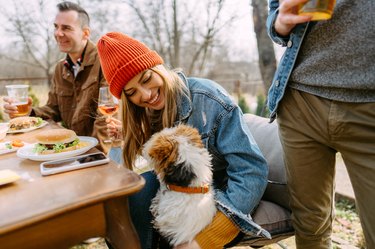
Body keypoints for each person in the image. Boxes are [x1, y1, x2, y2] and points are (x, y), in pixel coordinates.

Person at [96, 32, 270, 249]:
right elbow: (141, 169)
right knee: (128, 199)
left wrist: (206, 238)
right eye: (132, 92)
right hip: (176, 196)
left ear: (158, 67)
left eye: (147, 79)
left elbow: (251, 171)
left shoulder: (210, 99)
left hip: (218, 195)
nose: (146, 95)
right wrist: (120, 142)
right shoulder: (148, 111)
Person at [266, 0, 375, 248]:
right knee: (309, 226)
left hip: (369, 105)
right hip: (301, 102)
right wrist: (280, 22)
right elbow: (275, 9)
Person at [3, 1, 109, 152]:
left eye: (66, 28)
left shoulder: (105, 61)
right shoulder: (61, 68)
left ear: (85, 33)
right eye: (56, 27)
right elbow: (53, 109)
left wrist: (94, 154)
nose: (58, 33)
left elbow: (107, 118)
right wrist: (29, 113)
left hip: (103, 150)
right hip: (73, 147)